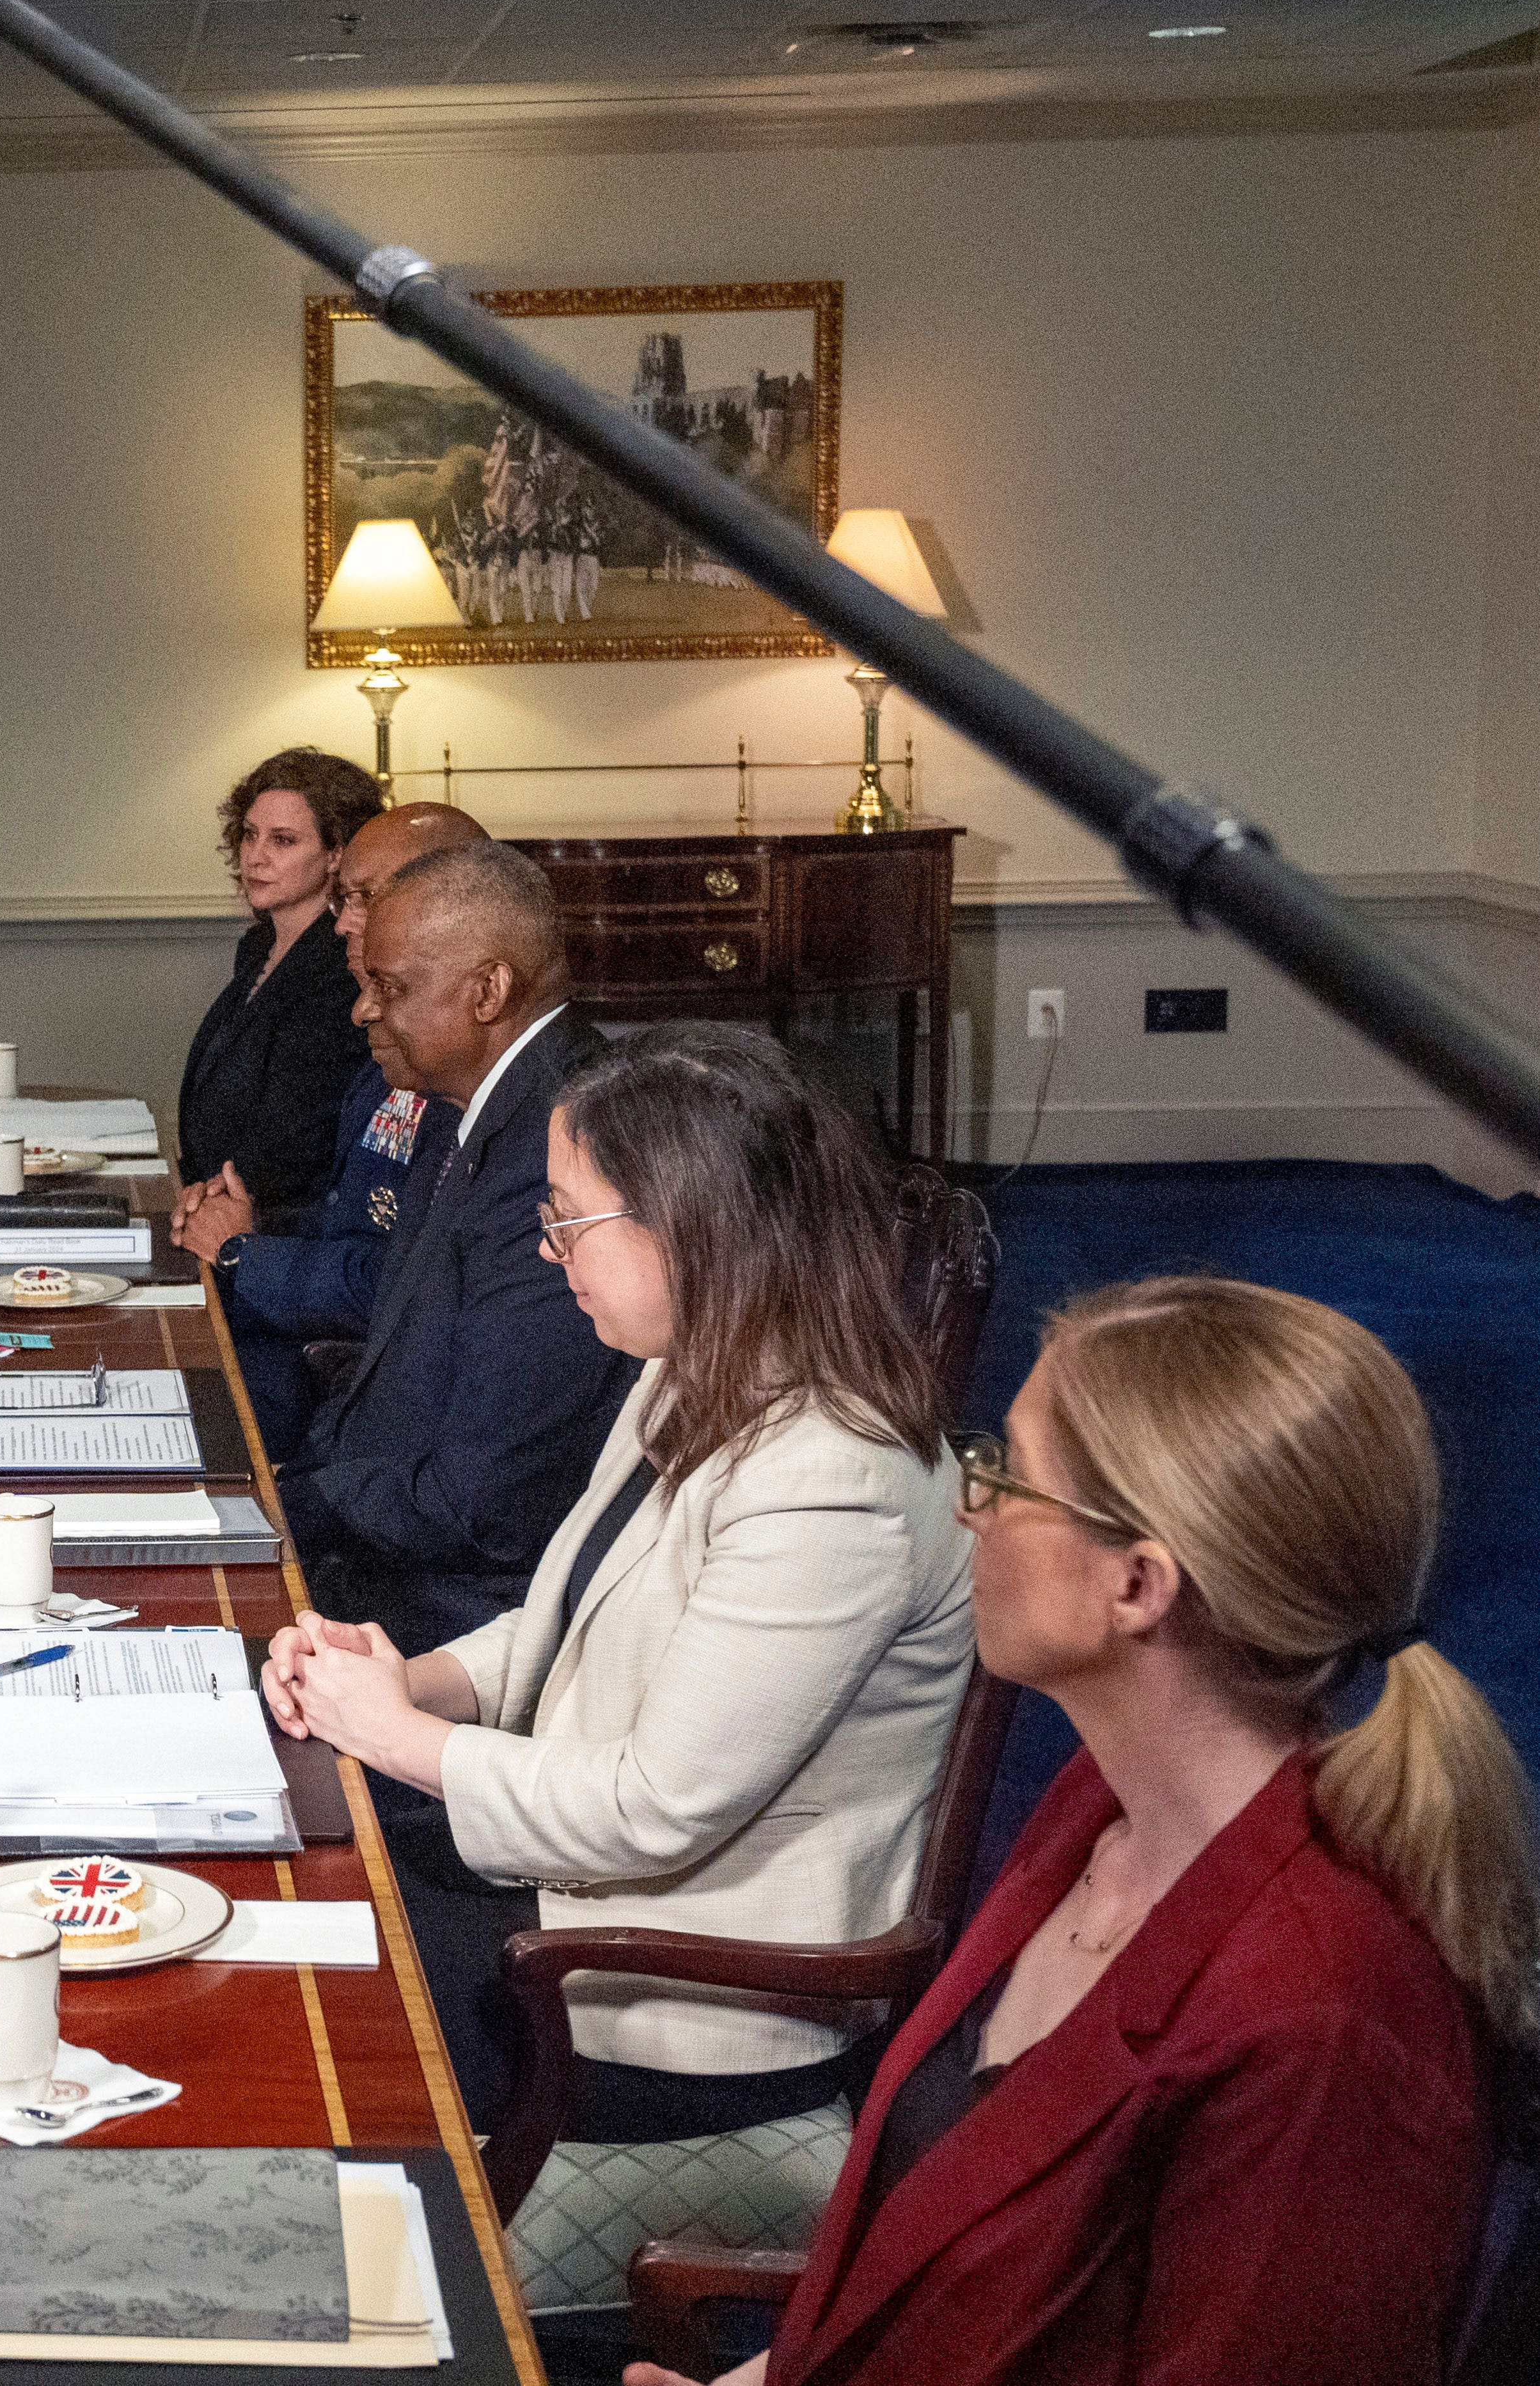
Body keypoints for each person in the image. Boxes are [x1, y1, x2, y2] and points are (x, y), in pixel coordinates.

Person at [629, 1278, 1531, 2386]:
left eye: (1006, 1472)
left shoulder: (1321, 2026)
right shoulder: (1099, 1802)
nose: (973, 1506)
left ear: (1138, 1585)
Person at [266, 1025, 973, 2145]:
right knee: (284, 1896)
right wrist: (415, 1678)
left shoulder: (831, 1480)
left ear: (690, 1226)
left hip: (670, 2001)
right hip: (580, 1919)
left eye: (566, 1221)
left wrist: (395, 1737)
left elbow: (650, 1810)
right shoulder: (692, 1367)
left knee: (287, 2005)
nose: (550, 1254)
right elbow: (573, 1620)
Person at [278, 840, 638, 1653]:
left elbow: (486, 1497)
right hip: (383, 1546)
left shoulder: (561, 1145)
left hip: (453, 1611)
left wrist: (283, 1511)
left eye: (388, 987)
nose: (362, 1010)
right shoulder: (461, 1102)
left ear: (487, 991)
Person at [178, 802, 487, 1451]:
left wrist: (245, 1250)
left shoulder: (454, 1068)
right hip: (312, 1326)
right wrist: (251, 1223)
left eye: (363, 897)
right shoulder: (390, 1055)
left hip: (355, 1381)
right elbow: (346, 1212)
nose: (342, 920)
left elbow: (403, 1283)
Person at [171, 749, 384, 1227]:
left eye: (283, 840)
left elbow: (303, 1136)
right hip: (211, 1205)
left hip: (278, 1226)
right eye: (250, 835)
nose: (256, 856)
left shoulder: (342, 966)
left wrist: (219, 1198)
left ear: (335, 854)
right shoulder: (258, 945)